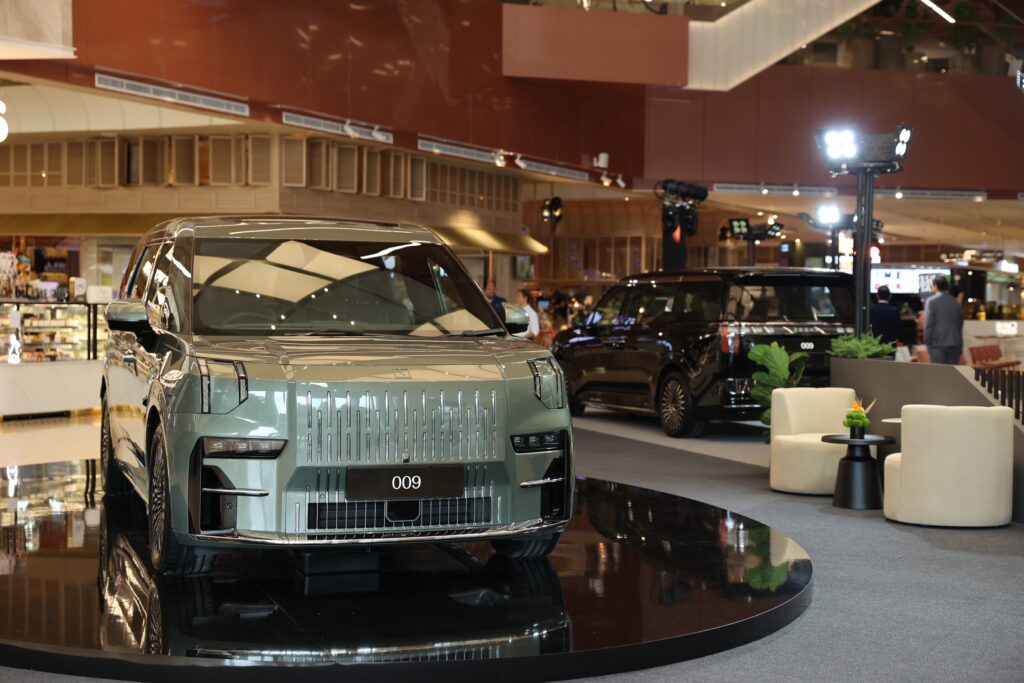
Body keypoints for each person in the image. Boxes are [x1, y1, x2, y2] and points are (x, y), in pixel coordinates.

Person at [924, 275, 964, 365]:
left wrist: (927, 342)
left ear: (936, 286)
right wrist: (961, 344)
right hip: (955, 343)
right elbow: (960, 324)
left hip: (937, 343)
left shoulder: (931, 301)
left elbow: (928, 324)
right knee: (952, 371)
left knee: (939, 372)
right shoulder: (955, 302)